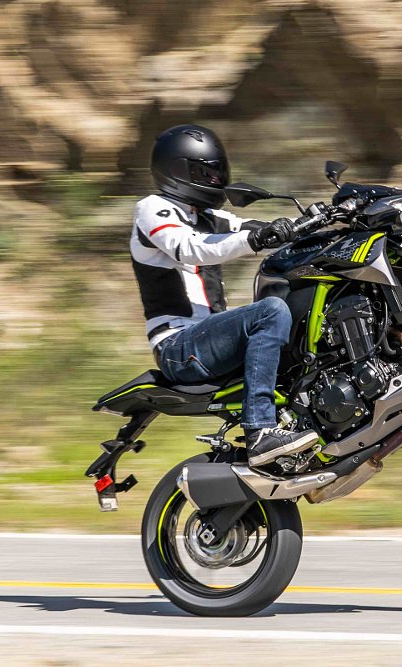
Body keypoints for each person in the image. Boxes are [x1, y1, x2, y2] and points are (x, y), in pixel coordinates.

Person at [130, 123, 318, 465]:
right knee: (270, 311)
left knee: (300, 314)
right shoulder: (153, 209)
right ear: (176, 171)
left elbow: (252, 228)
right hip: (178, 346)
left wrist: (313, 224)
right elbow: (188, 248)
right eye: (205, 173)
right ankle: (261, 430)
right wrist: (256, 240)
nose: (215, 181)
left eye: (217, 173)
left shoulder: (209, 217)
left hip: (206, 343)